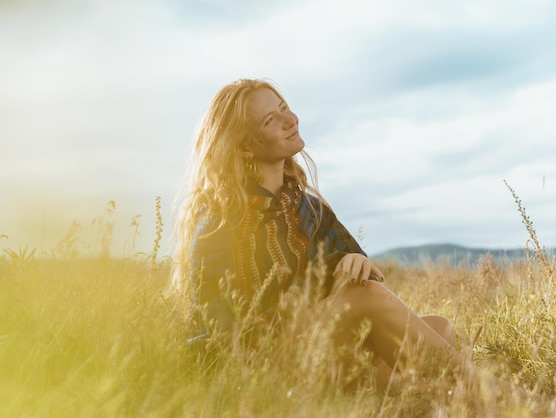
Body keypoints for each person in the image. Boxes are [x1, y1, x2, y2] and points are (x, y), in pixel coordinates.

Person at [172, 78, 486, 392]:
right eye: (270, 120)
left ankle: (413, 398)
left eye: (284, 109)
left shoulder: (309, 209)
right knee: (371, 302)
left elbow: (364, 290)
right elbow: (209, 333)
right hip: (265, 369)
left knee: (439, 328)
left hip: (330, 351)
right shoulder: (219, 222)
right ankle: (490, 395)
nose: (290, 120)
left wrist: (351, 260)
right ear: (245, 146)